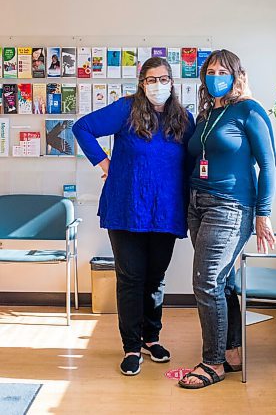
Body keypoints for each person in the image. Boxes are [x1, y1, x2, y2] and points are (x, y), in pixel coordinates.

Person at [73, 57, 195, 376]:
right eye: (151, 79)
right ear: (142, 83)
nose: (158, 85)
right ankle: (131, 347)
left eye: (164, 78)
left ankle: (151, 339)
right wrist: (104, 163)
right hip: (126, 208)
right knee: (130, 279)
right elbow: (82, 128)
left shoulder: (183, 118)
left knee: (155, 278)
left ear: (173, 82)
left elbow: (196, 157)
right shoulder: (126, 109)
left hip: (165, 212)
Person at [178, 49, 276, 390]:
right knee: (223, 283)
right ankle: (232, 352)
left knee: (206, 283)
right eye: (210, 70)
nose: (215, 76)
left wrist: (263, 213)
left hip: (230, 206)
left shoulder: (249, 110)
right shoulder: (206, 116)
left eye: (223, 71)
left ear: (237, 76)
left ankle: (213, 362)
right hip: (197, 204)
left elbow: (269, 165)